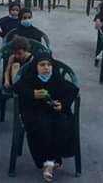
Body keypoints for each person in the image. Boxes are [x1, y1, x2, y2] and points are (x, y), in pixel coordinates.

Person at [13, 54, 79, 182]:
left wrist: (62, 105)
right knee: (42, 126)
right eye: (42, 65)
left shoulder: (56, 78)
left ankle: (51, 161)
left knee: (62, 124)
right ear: (36, 67)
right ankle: (47, 161)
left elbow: (73, 90)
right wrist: (32, 94)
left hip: (54, 112)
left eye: (49, 65)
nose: (46, 68)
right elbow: (16, 88)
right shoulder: (30, 78)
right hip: (35, 112)